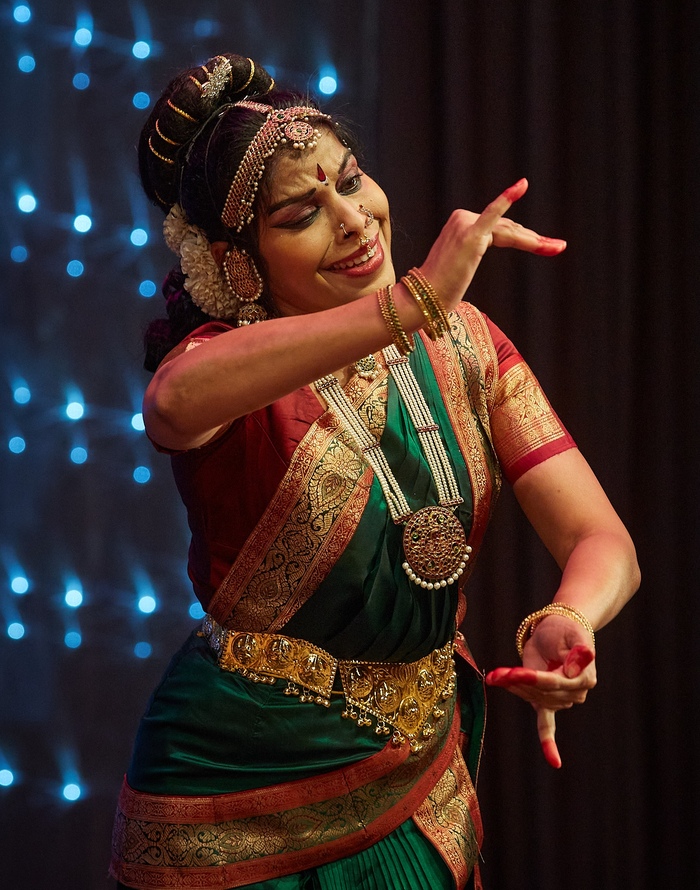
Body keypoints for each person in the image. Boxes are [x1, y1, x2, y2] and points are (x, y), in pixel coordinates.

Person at [110, 53, 640, 890]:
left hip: (419, 769)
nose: (354, 220)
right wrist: (412, 302)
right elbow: (171, 402)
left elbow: (600, 538)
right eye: (302, 214)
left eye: (351, 181)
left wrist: (570, 617)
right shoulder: (223, 367)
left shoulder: (465, 342)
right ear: (239, 262)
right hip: (235, 787)